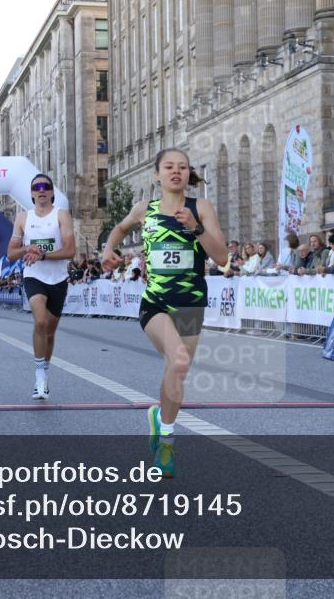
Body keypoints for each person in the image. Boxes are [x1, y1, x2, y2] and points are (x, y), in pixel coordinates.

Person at [101, 148, 229, 477]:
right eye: (169, 167)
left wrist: (197, 229)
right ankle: (168, 445)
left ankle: (160, 418)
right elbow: (119, 229)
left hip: (190, 302)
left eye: (182, 167)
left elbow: (222, 257)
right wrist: (108, 249)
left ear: (188, 174)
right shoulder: (145, 209)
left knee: (176, 369)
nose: (176, 172)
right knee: (179, 360)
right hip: (156, 302)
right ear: (156, 174)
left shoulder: (201, 208)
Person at [9, 172, 76, 400]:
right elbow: (11, 253)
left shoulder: (62, 215)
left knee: (50, 332)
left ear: (52, 192)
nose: (41, 190)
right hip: (33, 276)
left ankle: (45, 370)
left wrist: (43, 255)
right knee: (40, 322)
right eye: (37, 187)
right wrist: (27, 249)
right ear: (31, 193)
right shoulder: (22, 218)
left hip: (58, 278)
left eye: (45, 186)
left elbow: (70, 250)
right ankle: (39, 377)